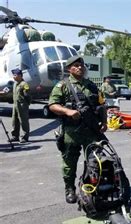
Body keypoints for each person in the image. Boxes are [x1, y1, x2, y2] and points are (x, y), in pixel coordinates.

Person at [48, 55, 108, 204]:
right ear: (69, 69)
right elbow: (52, 105)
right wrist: (67, 111)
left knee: (96, 161)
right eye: (76, 65)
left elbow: (102, 105)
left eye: (81, 64)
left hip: (91, 131)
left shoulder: (92, 85)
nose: (80, 67)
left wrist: (105, 122)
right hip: (72, 131)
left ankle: (92, 187)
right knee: (69, 162)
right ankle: (69, 189)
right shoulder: (62, 85)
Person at [10, 68, 31, 143]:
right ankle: (15, 136)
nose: (13, 76)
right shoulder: (15, 84)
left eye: (15, 75)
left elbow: (27, 95)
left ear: (20, 75)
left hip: (22, 105)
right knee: (14, 121)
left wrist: (27, 104)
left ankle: (25, 137)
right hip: (15, 105)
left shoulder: (24, 84)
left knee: (23, 121)